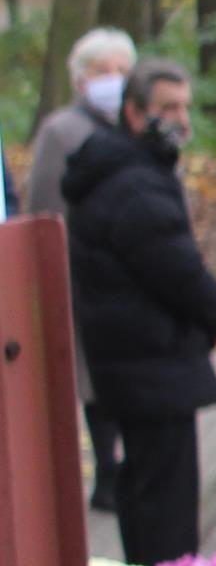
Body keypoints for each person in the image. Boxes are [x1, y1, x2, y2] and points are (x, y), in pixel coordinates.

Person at [62, 58, 216, 564]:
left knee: (145, 499)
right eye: (168, 108)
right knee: (166, 518)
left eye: (185, 106)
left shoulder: (120, 169)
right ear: (135, 114)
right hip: (151, 367)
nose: (181, 119)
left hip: (136, 365)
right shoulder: (133, 182)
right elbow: (177, 270)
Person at [27, 27, 139, 511]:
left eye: (121, 71)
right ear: (80, 80)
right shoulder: (62, 131)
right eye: (102, 72)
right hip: (84, 274)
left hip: (139, 274)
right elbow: (45, 209)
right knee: (92, 376)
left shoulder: (141, 125)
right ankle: (106, 469)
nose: (112, 80)